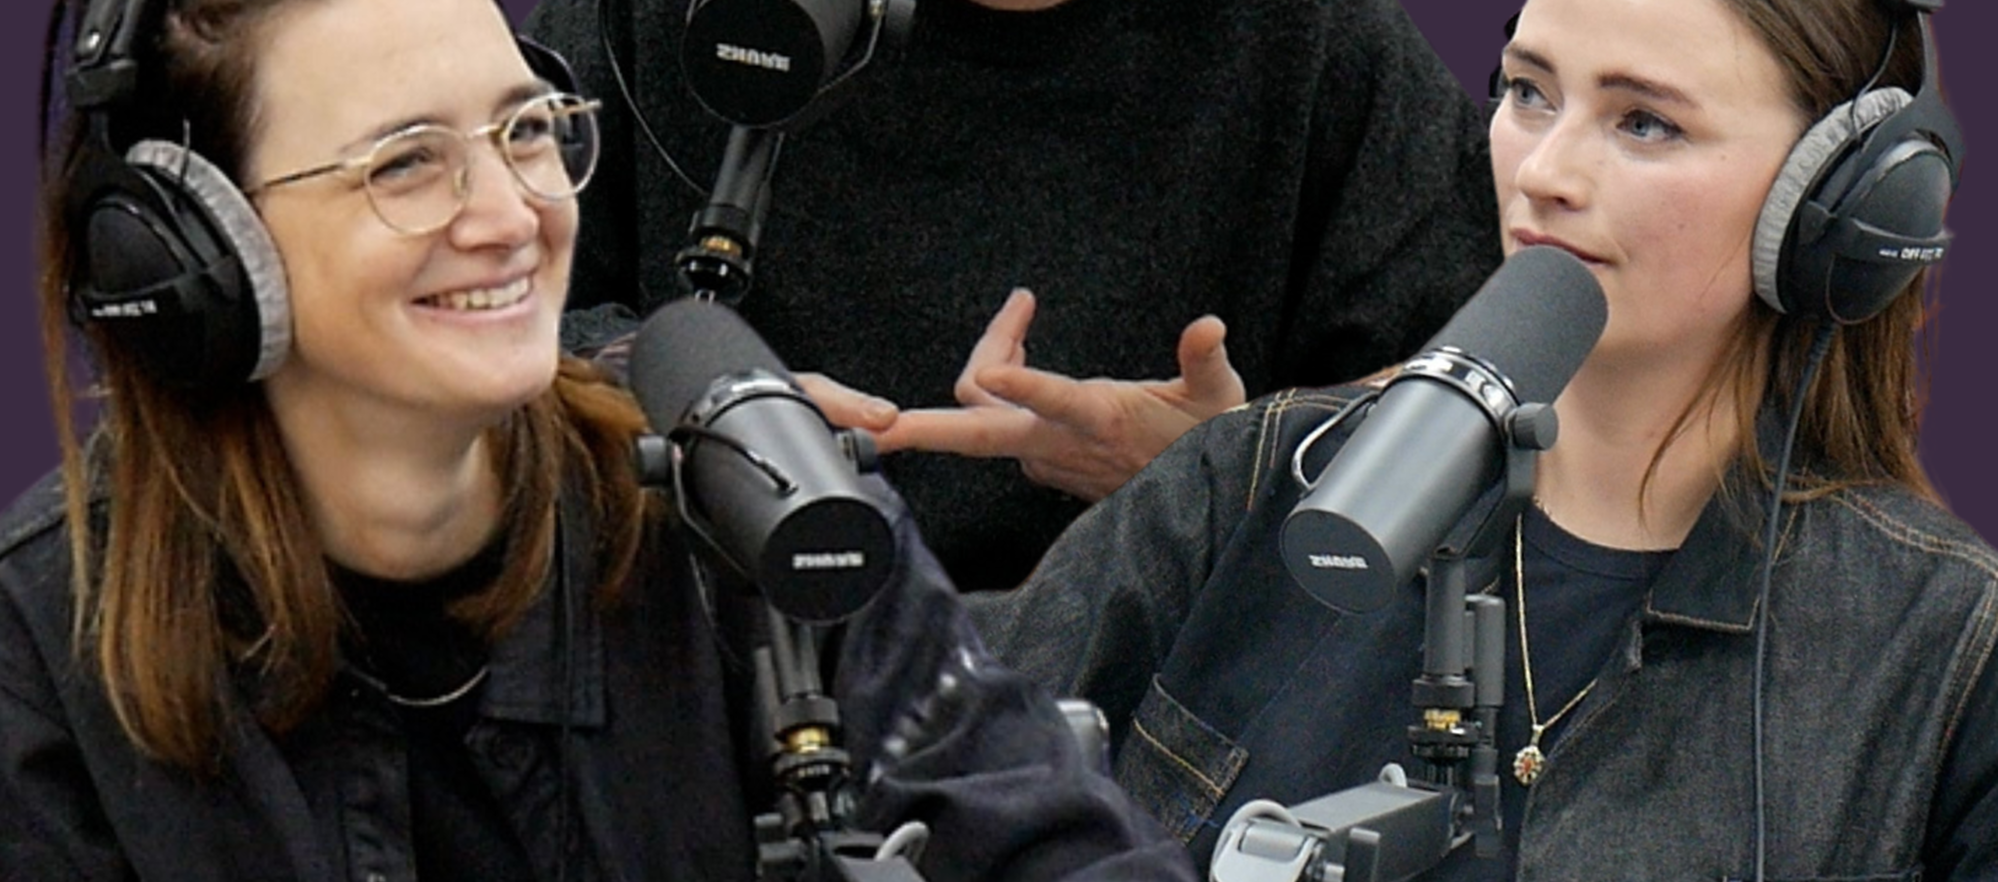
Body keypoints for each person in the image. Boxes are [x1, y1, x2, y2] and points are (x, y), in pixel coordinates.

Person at [0, 1, 1257, 882]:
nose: (507, 216)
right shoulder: (42, 644)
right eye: (406, 164)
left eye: (528, 130)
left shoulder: (756, 514)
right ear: (187, 252)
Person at [966, 0, 1993, 882]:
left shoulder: (1937, 642)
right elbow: (932, 828)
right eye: (1525, 92)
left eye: (1643, 123)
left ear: (1836, 209)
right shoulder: (1255, 484)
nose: (1541, 170)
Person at [521, 0, 1502, 590]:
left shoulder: (1315, 41)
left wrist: (1230, 467)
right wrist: (686, 412)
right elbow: (475, 319)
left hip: (1142, 710)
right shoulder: (662, 20)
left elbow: (1495, 385)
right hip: (698, 644)